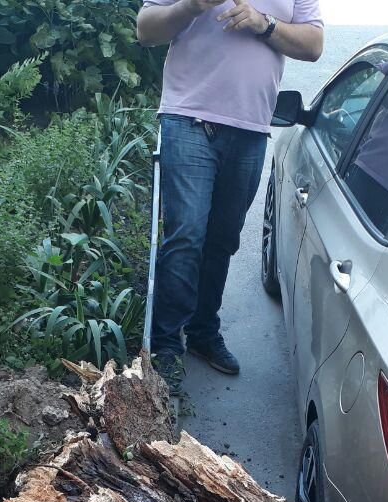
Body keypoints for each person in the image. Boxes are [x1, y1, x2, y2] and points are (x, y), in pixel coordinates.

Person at [137, 0, 324, 393]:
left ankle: (203, 331)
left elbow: (313, 44)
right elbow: (146, 29)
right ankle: (166, 347)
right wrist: (189, 6)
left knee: (222, 239)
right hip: (188, 117)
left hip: (250, 127)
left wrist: (264, 24)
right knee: (186, 235)